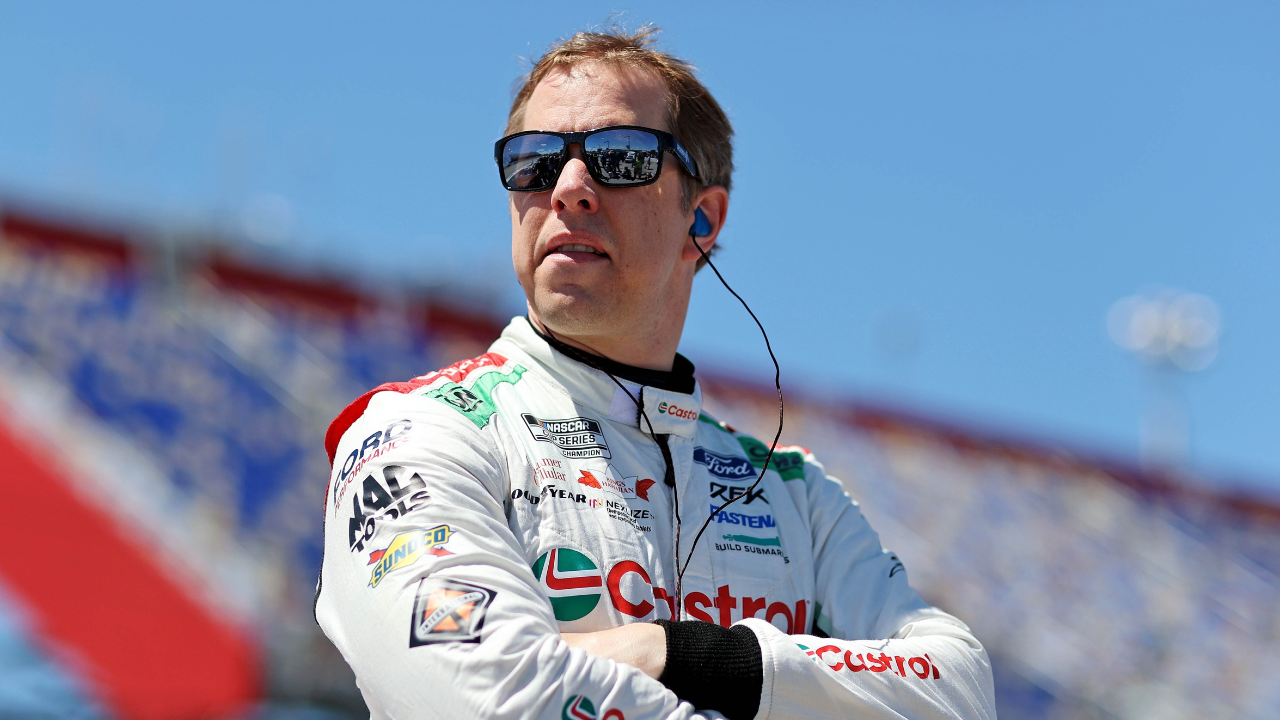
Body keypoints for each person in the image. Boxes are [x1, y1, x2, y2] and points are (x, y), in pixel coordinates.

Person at [316, 26, 996, 720]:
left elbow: (959, 693)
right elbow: (483, 699)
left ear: (701, 219)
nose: (569, 188)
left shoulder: (796, 494)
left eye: (618, 157)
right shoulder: (420, 432)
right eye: (535, 162)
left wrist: (682, 652)